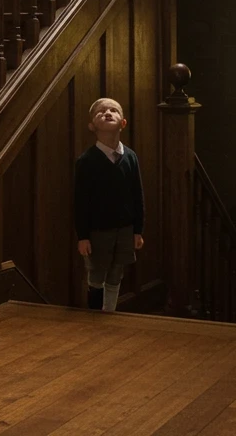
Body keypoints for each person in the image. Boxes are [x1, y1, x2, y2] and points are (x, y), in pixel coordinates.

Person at [74, 98, 144, 313]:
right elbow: (81, 201)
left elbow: (137, 195)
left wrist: (137, 231)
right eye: (100, 112)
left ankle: (109, 312)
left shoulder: (130, 157)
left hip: (124, 228)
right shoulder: (86, 160)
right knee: (97, 272)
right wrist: (82, 235)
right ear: (92, 126)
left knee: (116, 272)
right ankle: (95, 316)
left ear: (123, 123)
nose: (107, 113)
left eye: (113, 110)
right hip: (98, 230)